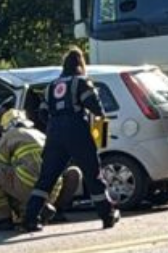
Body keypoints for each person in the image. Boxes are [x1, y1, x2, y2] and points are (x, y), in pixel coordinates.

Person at [22, 48, 119, 231]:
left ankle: (30, 218)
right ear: (80, 64)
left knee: (46, 178)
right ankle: (107, 215)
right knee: (92, 174)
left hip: (54, 132)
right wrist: (99, 122)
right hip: (76, 130)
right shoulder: (81, 82)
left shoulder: (51, 86)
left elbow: (42, 113)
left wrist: (54, 126)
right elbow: (96, 107)